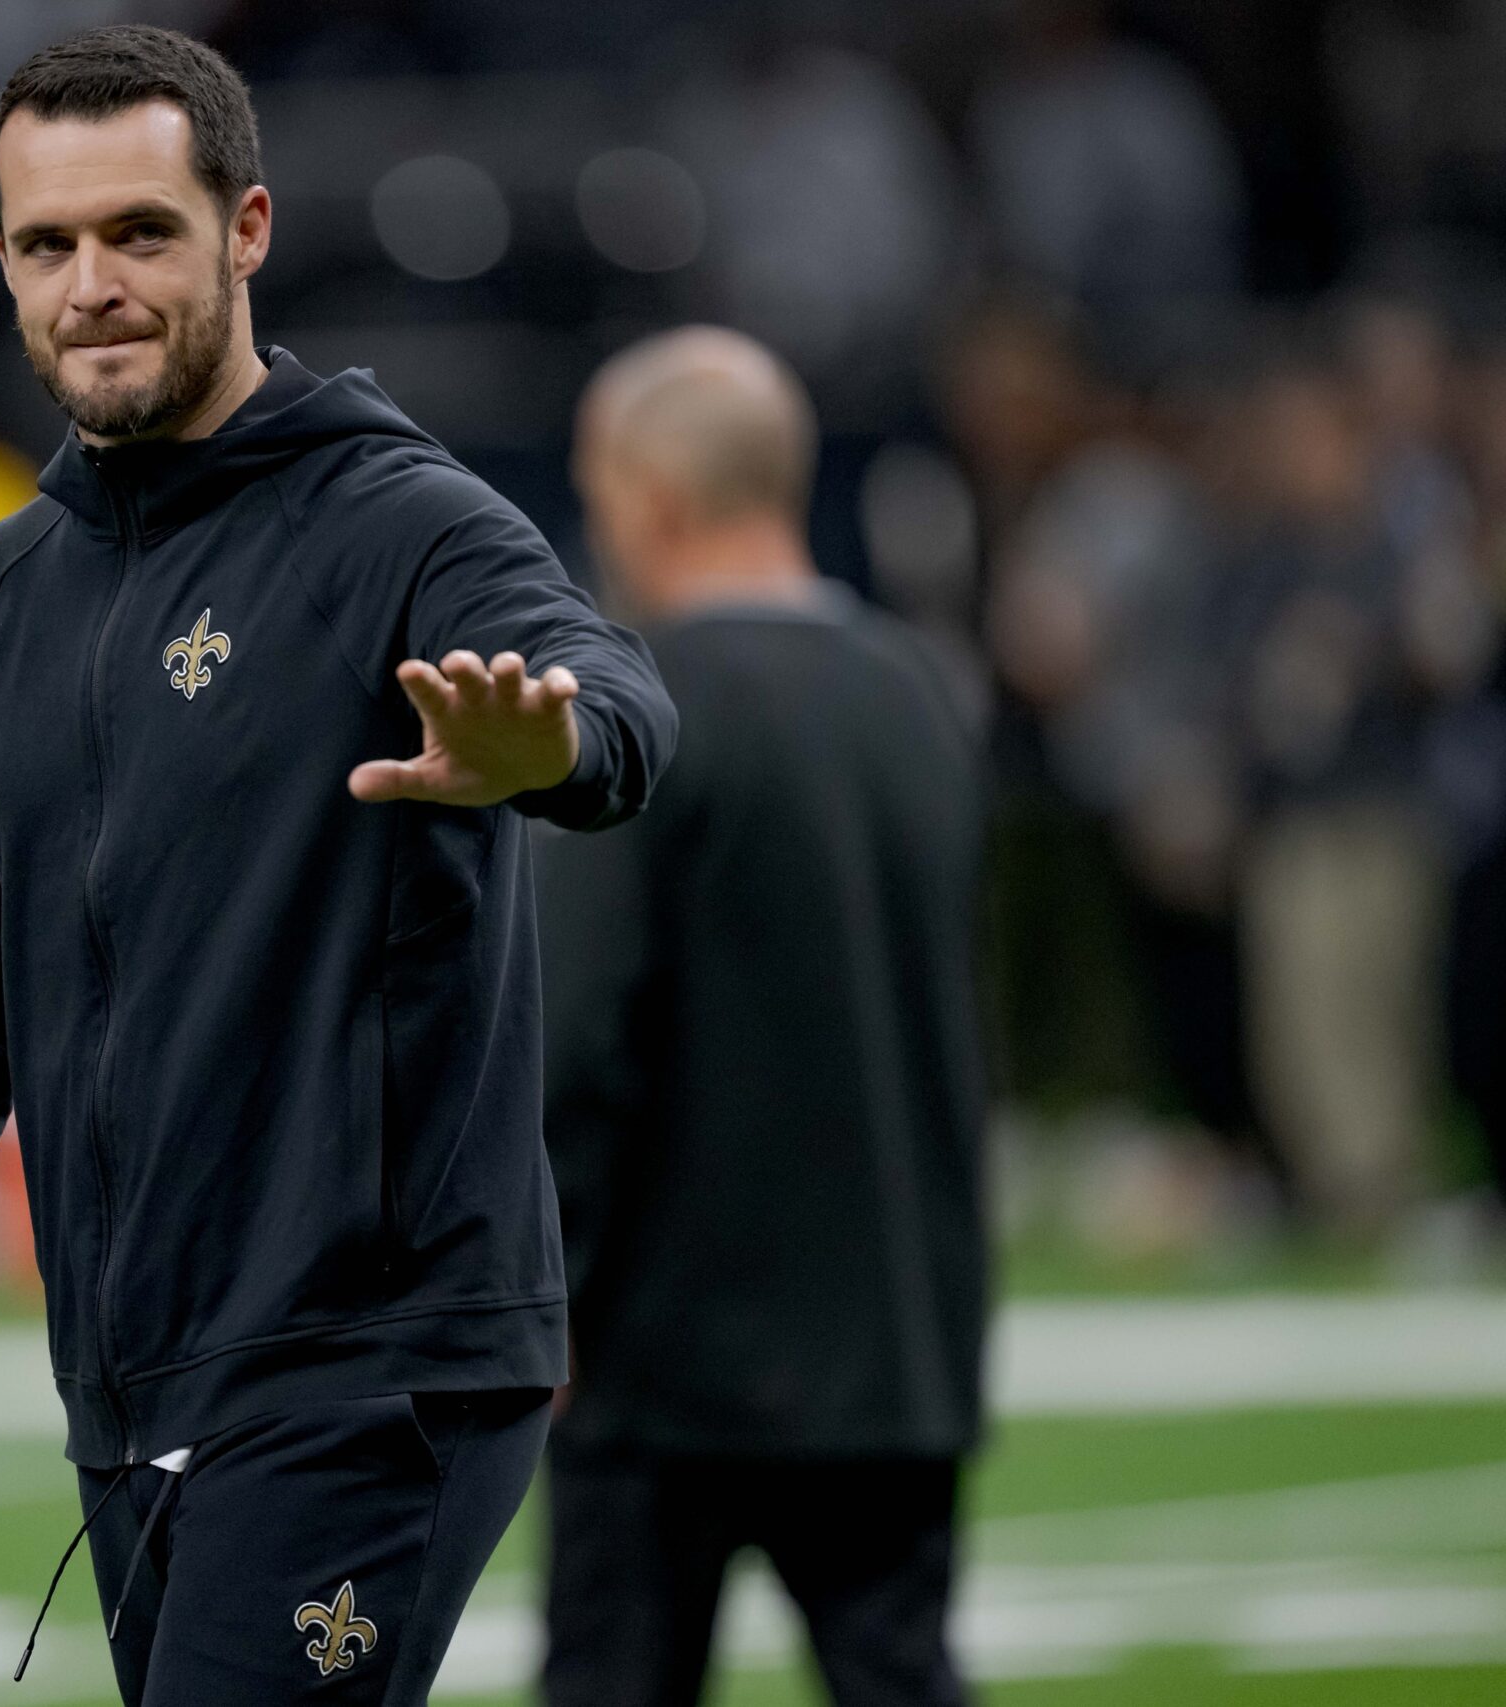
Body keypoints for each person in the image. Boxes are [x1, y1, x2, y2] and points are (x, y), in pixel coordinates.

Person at [0, 25, 675, 1707]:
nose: (93, 285)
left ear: (247, 230)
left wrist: (547, 748)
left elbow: (614, 694)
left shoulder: (399, 523)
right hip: (133, 1403)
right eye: (48, 245)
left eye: (141, 232)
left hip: (370, 1374)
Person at [538, 328, 987, 1707]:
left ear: (650, 494)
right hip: (895, 1339)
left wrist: (537, 1292)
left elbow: (575, 1037)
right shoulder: (922, 690)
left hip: (666, 1358)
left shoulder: (641, 702)